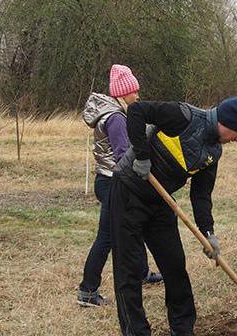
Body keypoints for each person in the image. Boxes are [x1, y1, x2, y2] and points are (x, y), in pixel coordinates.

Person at [109, 96, 237, 336]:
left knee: (175, 265)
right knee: (130, 269)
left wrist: (209, 233)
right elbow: (136, 111)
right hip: (128, 191)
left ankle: (183, 327)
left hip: (160, 199)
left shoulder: (213, 153)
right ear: (225, 122)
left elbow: (201, 195)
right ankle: (136, 331)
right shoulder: (183, 116)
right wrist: (142, 157)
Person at [77, 64, 162, 308]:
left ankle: (142, 272)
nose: (138, 96)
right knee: (106, 237)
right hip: (111, 182)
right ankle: (87, 291)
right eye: (134, 91)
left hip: (110, 180)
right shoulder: (115, 118)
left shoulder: (116, 114)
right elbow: (124, 154)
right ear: (123, 93)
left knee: (138, 223)